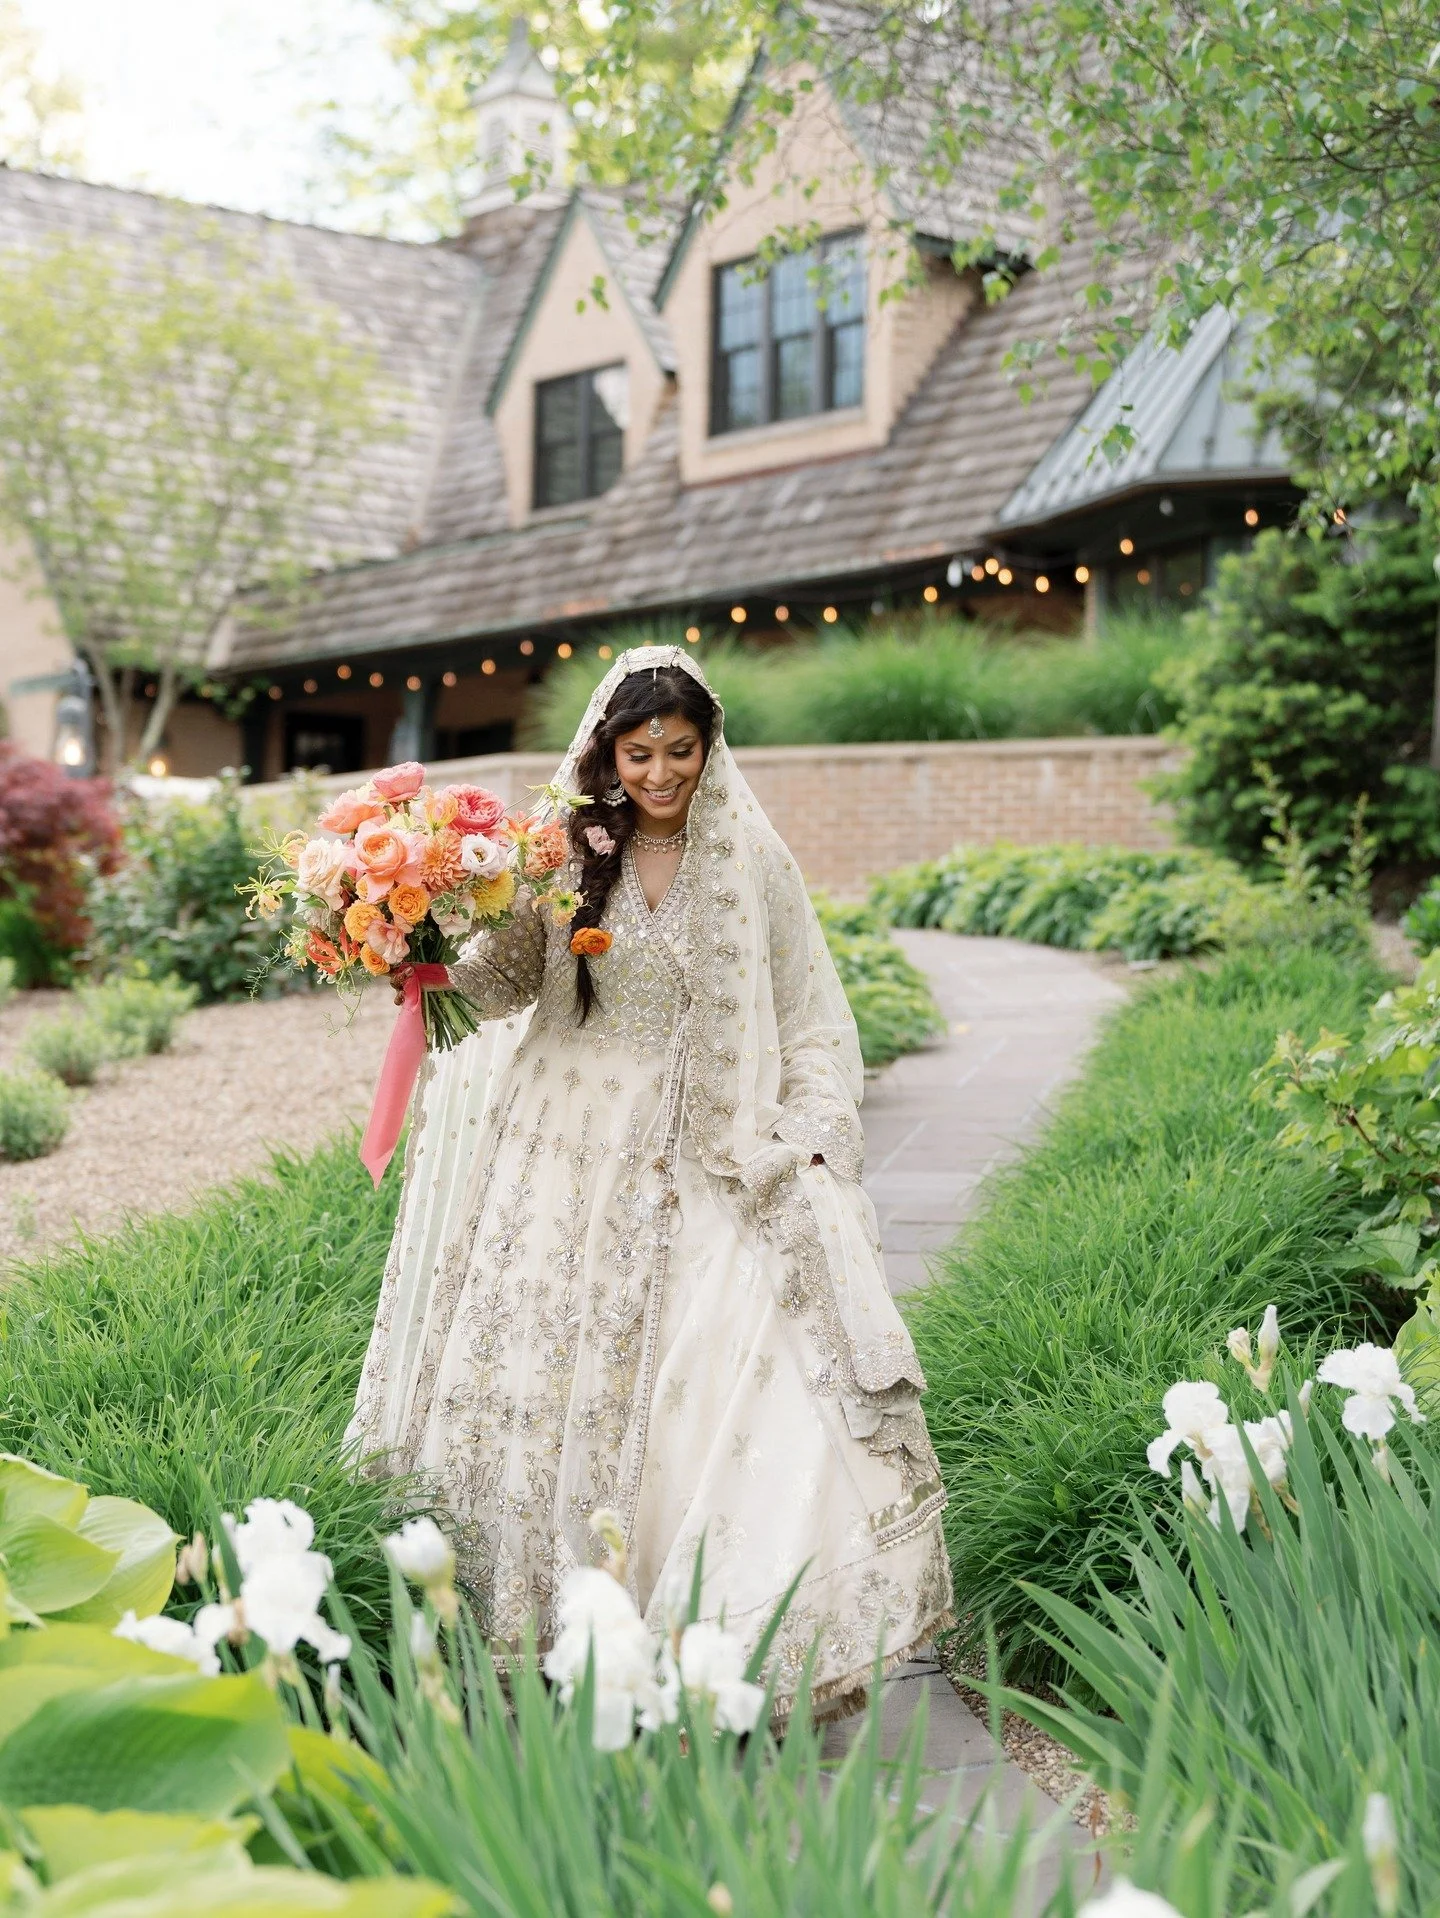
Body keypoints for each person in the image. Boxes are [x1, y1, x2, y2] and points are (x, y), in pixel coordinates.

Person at [348, 645, 952, 1717]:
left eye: (681, 750)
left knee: (746, 1353)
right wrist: (419, 941)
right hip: (559, 1145)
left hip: (703, 1146)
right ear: (606, 752)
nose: (661, 772)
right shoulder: (561, 851)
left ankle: (724, 1627)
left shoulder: (752, 865)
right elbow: (503, 984)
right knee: (546, 1373)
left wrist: (812, 1135)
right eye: (640, 751)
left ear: (708, 749)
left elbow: (807, 1014)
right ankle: (539, 1618)